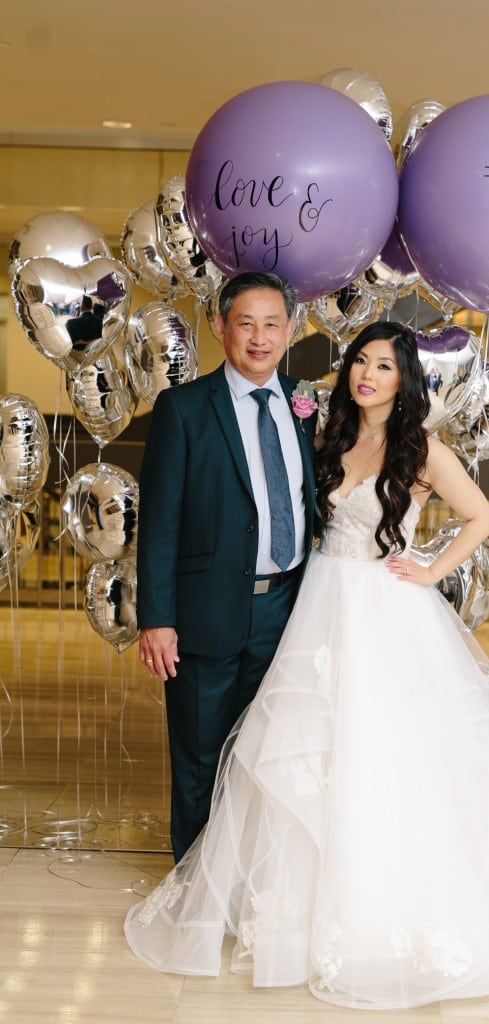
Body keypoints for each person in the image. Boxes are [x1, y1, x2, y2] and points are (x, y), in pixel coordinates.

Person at [126, 320, 489, 1009]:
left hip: (382, 608)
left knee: (387, 753)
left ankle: (386, 899)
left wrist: (430, 570)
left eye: (383, 367)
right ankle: (285, 902)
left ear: (404, 381)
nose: (366, 375)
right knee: (307, 746)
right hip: (315, 600)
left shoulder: (419, 448)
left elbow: (481, 517)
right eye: (360, 362)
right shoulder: (329, 435)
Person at [136, 271, 317, 862]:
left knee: (268, 753)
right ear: (220, 328)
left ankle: (247, 880)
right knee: (199, 754)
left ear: (291, 329)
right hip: (205, 615)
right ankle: (191, 887)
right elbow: (159, 521)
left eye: (272, 324)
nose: (259, 338)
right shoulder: (183, 409)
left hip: (287, 612)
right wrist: (156, 618)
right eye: (246, 323)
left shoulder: (304, 407)